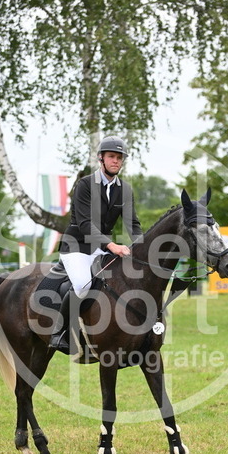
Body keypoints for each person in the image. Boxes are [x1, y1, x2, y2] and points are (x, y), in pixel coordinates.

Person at [49, 135, 143, 353]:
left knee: (118, 283)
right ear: (101, 158)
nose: (116, 161)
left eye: (119, 157)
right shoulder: (84, 185)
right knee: (83, 285)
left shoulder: (125, 189)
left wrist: (144, 249)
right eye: (111, 156)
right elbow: (84, 224)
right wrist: (112, 246)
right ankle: (59, 331)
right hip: (77, 247)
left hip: (101, 249)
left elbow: (133, 225)